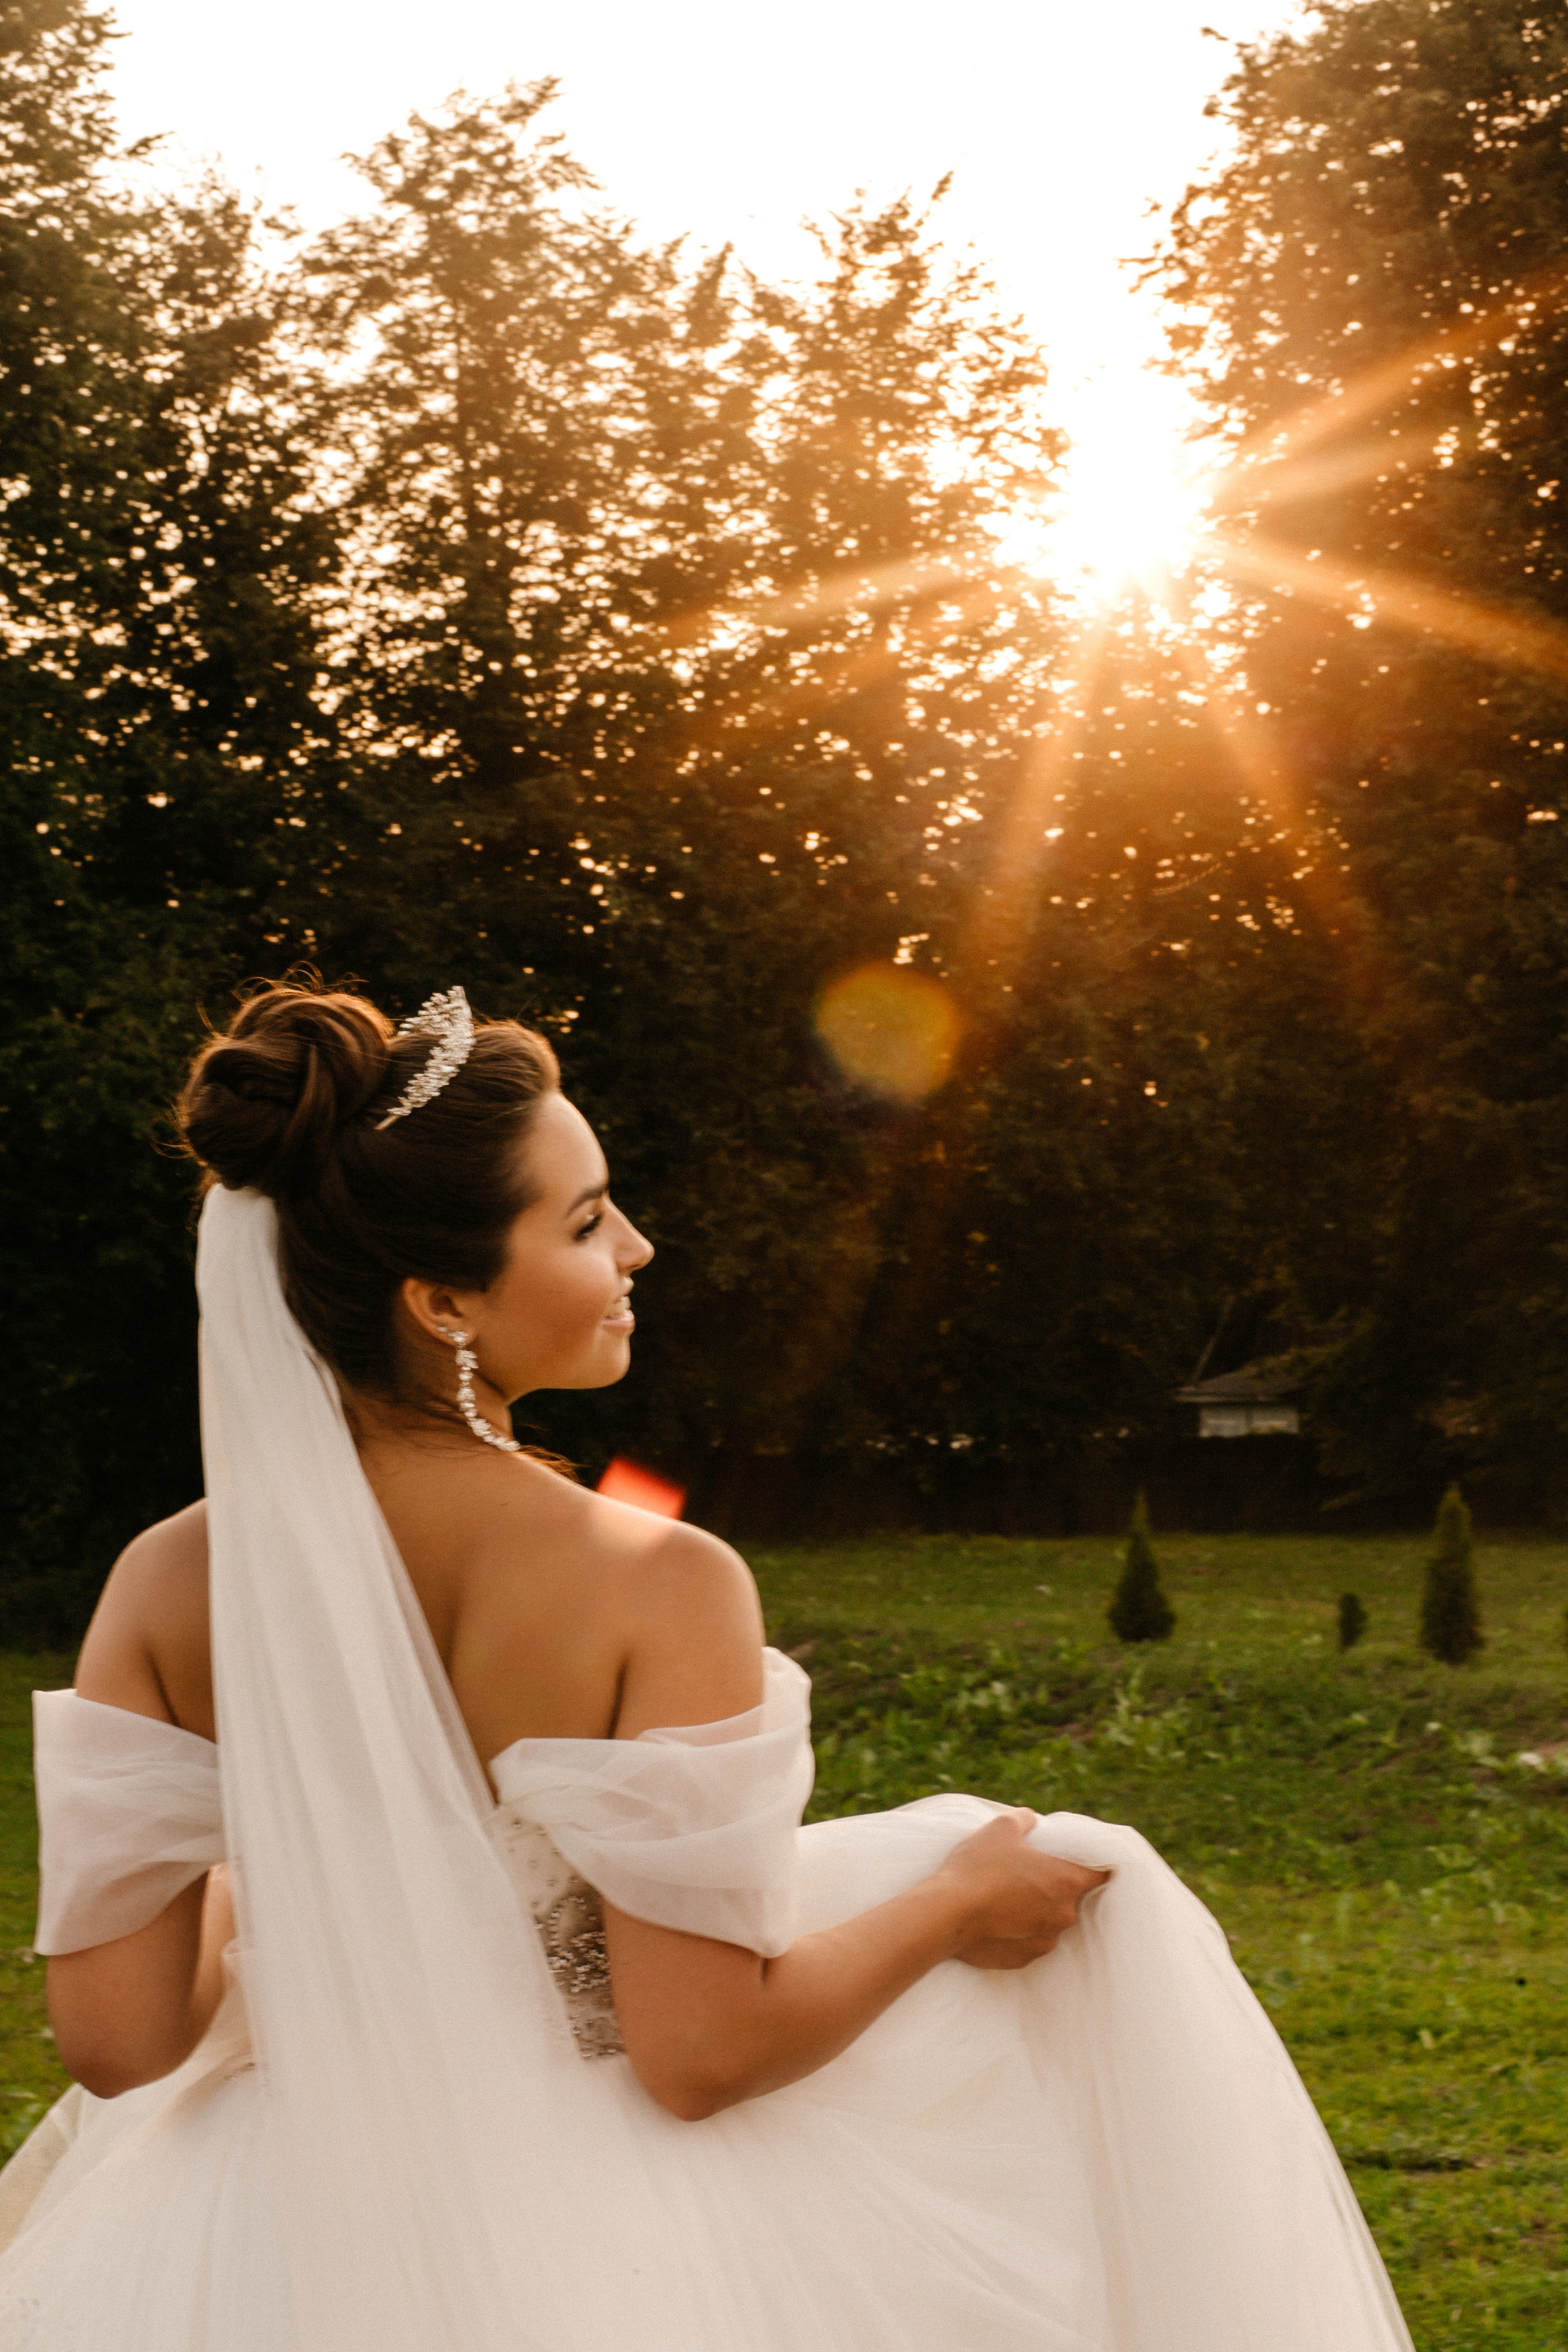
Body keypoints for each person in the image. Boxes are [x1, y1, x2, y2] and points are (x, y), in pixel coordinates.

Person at [1, 980, 1414, 2352]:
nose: (638, 1249)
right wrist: (954, 1903)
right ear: (443, 1300)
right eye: (587, 1219)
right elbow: (700, 2057)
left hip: (259, 2239)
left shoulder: (165, 1583)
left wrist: (322, 1885)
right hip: (597, 2234)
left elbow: (121, 2042)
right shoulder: (655, 1581)